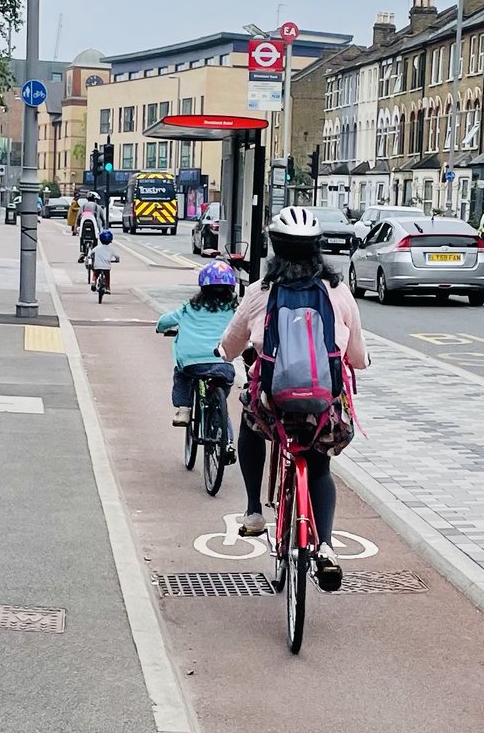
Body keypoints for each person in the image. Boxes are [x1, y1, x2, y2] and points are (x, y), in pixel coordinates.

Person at [217, 206, 369, 591]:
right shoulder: (337, 292)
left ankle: (253, 510)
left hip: (273, 405)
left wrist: (223, 353)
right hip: (322, 407)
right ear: (317, 249)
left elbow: (231, 345)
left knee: (250, 422)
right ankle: (328, 548)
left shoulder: (259, 293)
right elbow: (356, 358)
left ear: (275, 249)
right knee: (319, 469)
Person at [156, 261, 239, 428]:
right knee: (223, 383)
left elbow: (164, 322)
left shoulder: (190, 307)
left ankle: (184, 409)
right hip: (222, 363)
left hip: (191, 363)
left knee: (182, 375)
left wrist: (160, 328)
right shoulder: (234, 309)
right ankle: (219, 416)